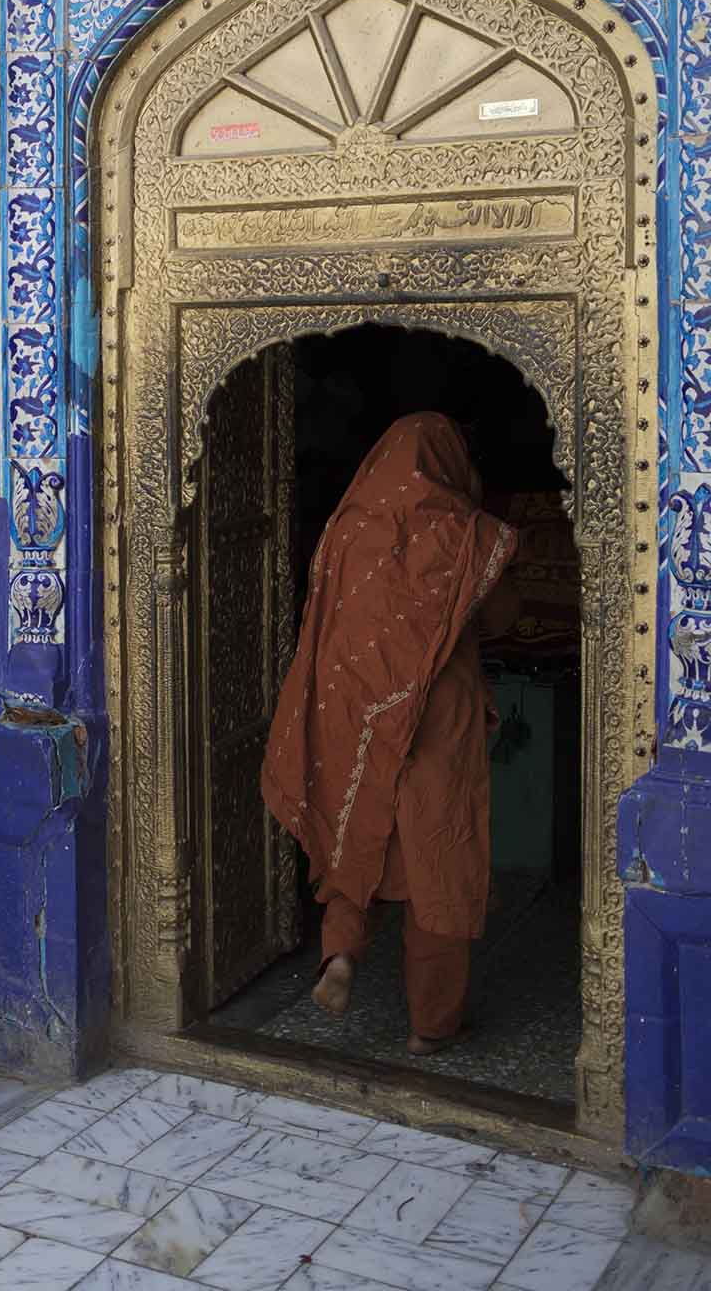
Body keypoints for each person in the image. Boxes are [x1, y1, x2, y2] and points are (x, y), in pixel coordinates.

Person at [260, 411, 519, 1056]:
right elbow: (506, 616)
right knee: (439, 856)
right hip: (438, 716)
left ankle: (341, 956)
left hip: (358, 711)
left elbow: (323, 624)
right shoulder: (467, 535)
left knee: (358, 832)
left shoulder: (347, 530)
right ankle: (431, 1026)